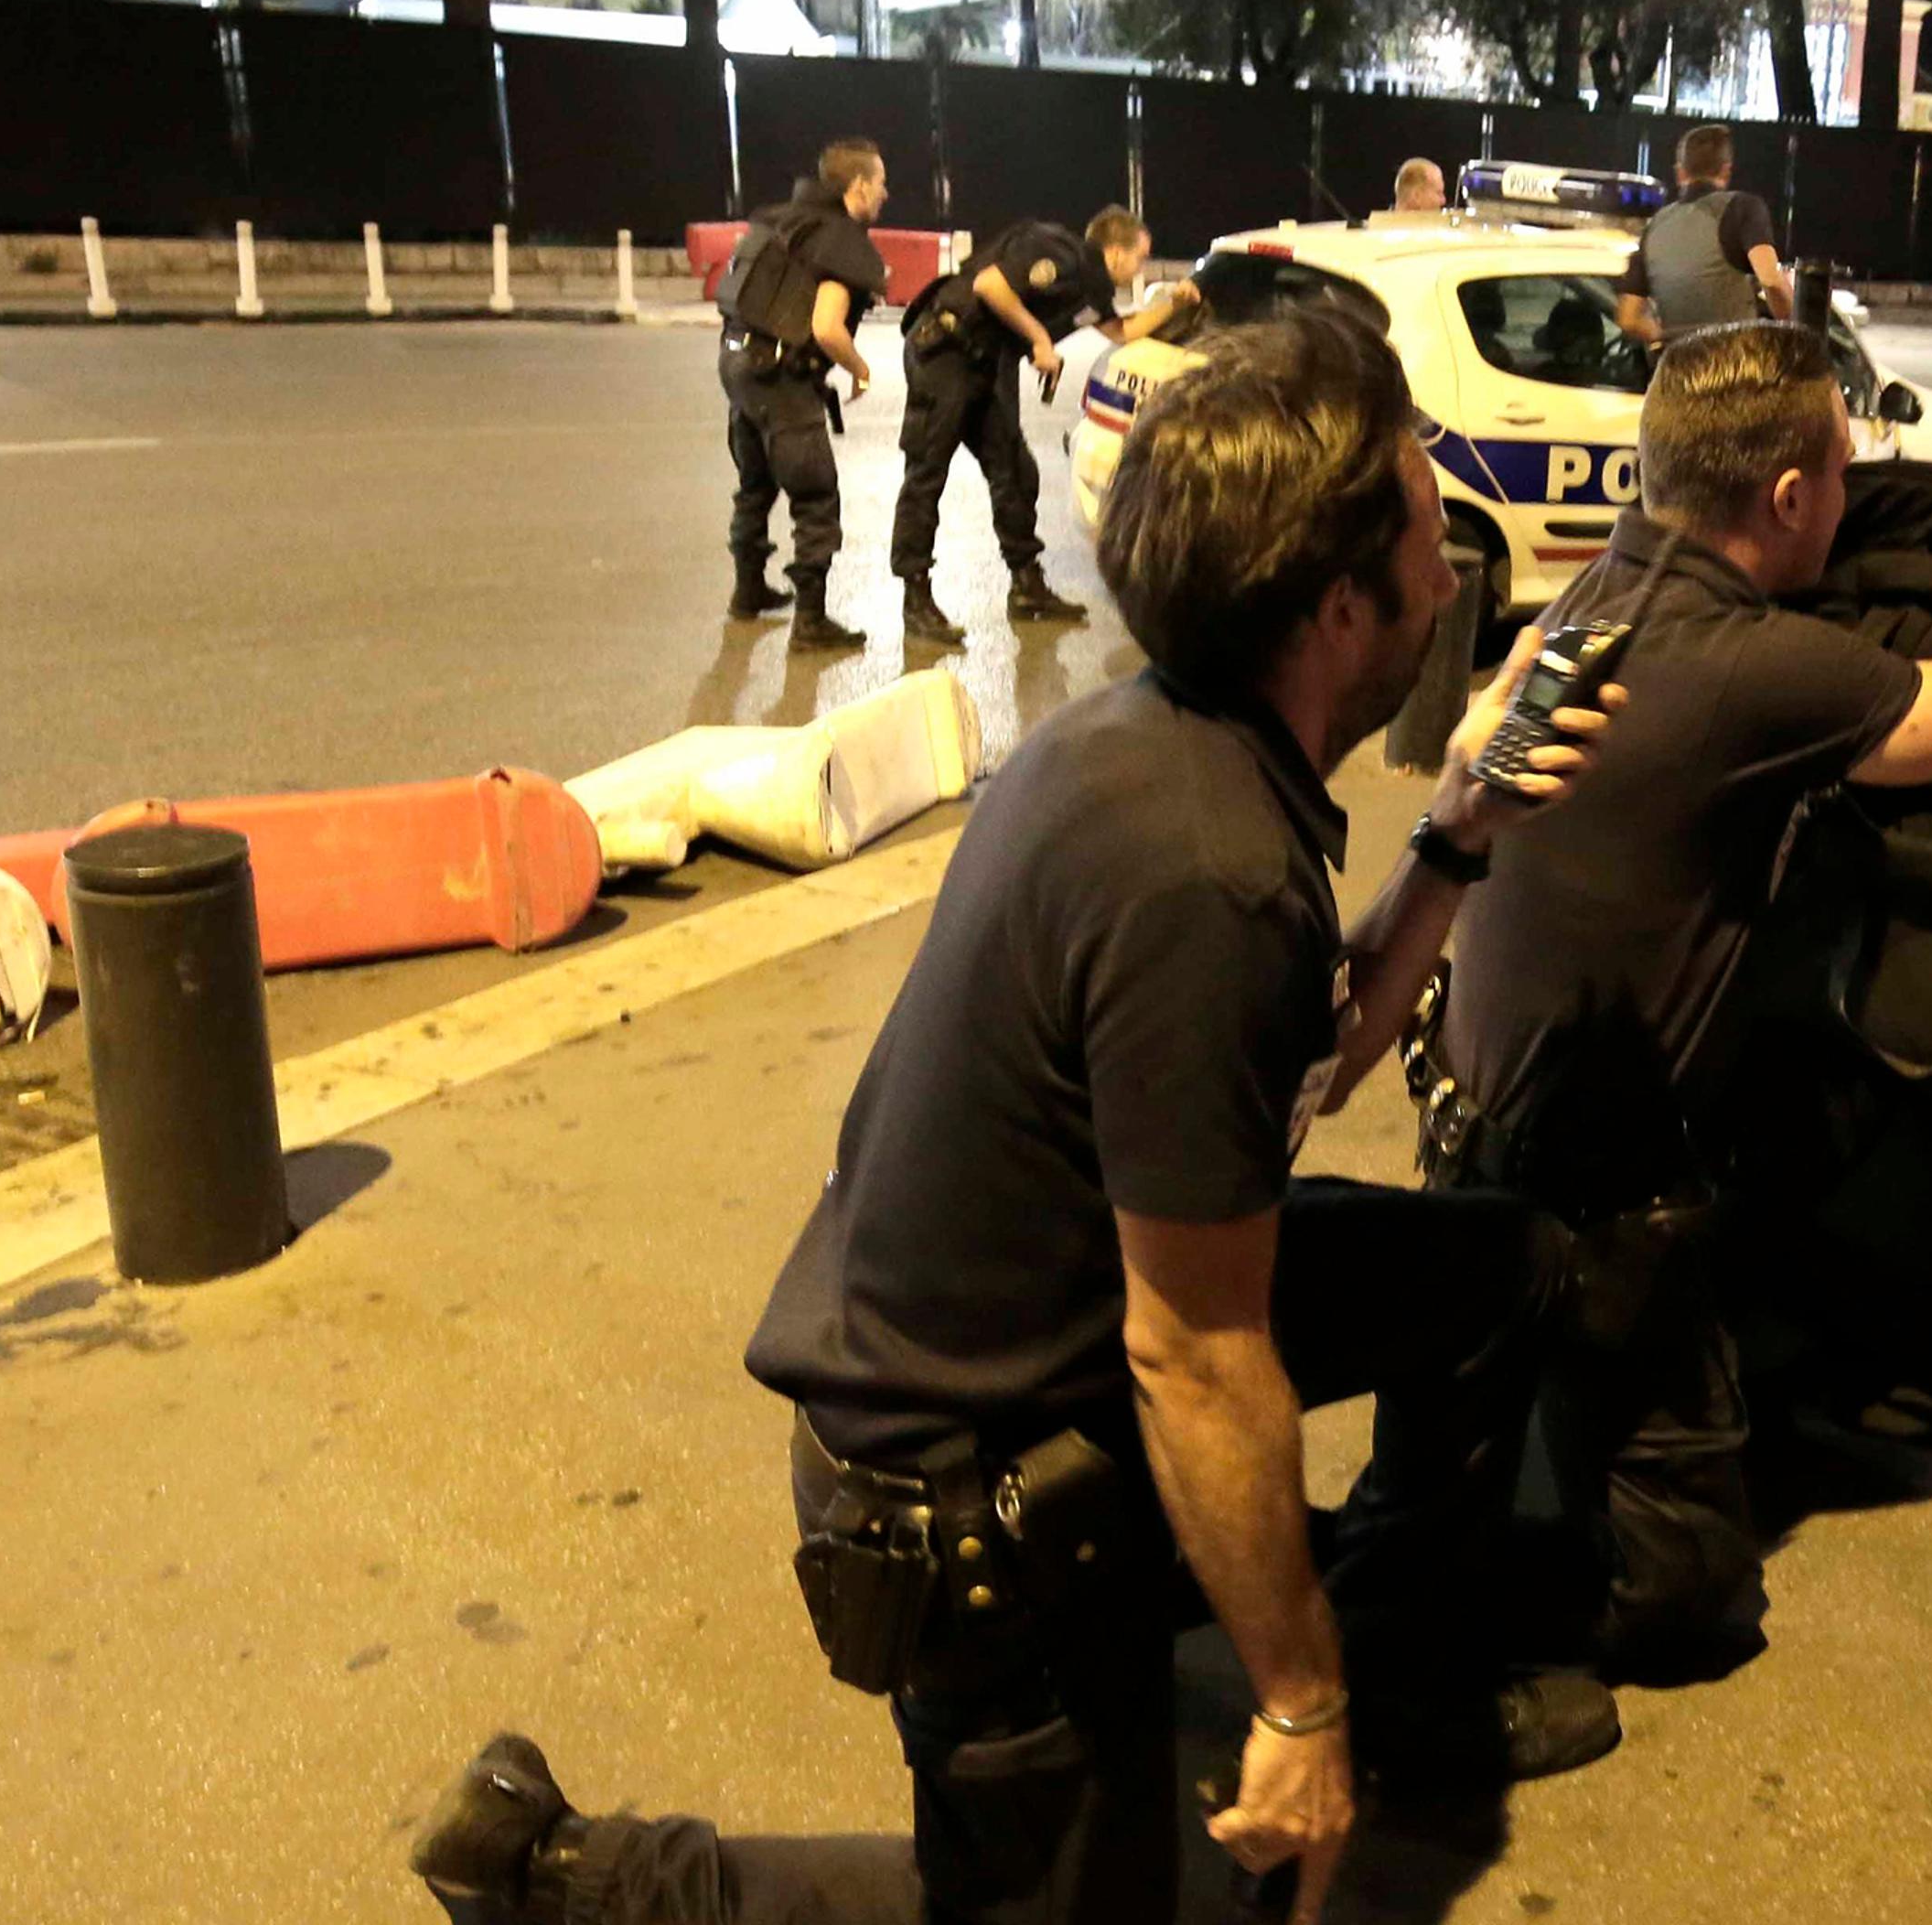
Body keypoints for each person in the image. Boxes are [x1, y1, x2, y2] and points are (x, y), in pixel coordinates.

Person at [411, 307, 1630, 1925]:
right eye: (1426, 536)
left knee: (1495, 1272)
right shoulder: (1209, 870)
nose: (1448, 572)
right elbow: (1192, 1356)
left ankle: (1361, 1634)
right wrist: (1296, 1705)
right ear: (1341, 611)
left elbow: (1304, 1061)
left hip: (1068, 1308)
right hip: (952, 1490)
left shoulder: (1164, 743)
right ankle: (576, 1875)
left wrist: (1458, 833)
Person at [1419, 323, 1932, 1683]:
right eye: (1844, 477)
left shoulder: (1595, 597)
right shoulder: (1751, 668)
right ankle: (1450, 1652)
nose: (1851, 500)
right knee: (1689, 1606)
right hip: (1577, 1198)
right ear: (1790, 498)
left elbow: (1477, 763)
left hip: (1475, 1118)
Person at [888, 206, 1198, 641]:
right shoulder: (1055, 250)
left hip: (988, 361)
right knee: (926, 474)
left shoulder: (1091, 286)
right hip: (946, 351)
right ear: (1115, 251)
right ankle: (915, 599)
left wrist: (1175, 304)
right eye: (1139, 257)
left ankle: (1027, 586)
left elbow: (1123, 331)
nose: (1140, 267)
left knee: (1014, 472)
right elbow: (989, 284)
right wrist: (1037, 338)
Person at [723, 139, 891, 651]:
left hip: (736, 364)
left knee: (755, 484)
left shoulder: (779, 219)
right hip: (782, 377)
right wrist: (859, 369)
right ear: (858, 187)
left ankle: (748, 591)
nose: (886, 194)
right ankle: (812, 622)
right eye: (881, 183)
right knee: (816, 497)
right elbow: (827, 327)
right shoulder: (838, 239)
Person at [1615, 126, 1790, 350]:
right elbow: (1771, 279)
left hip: (1678, 373)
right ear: (1726, 171)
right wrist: (1793, 324)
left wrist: (1665, 336)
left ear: (1680, 173)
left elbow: (1629, 317)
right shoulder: (1743, 208)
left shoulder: (1656, 225)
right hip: (1734, 368)